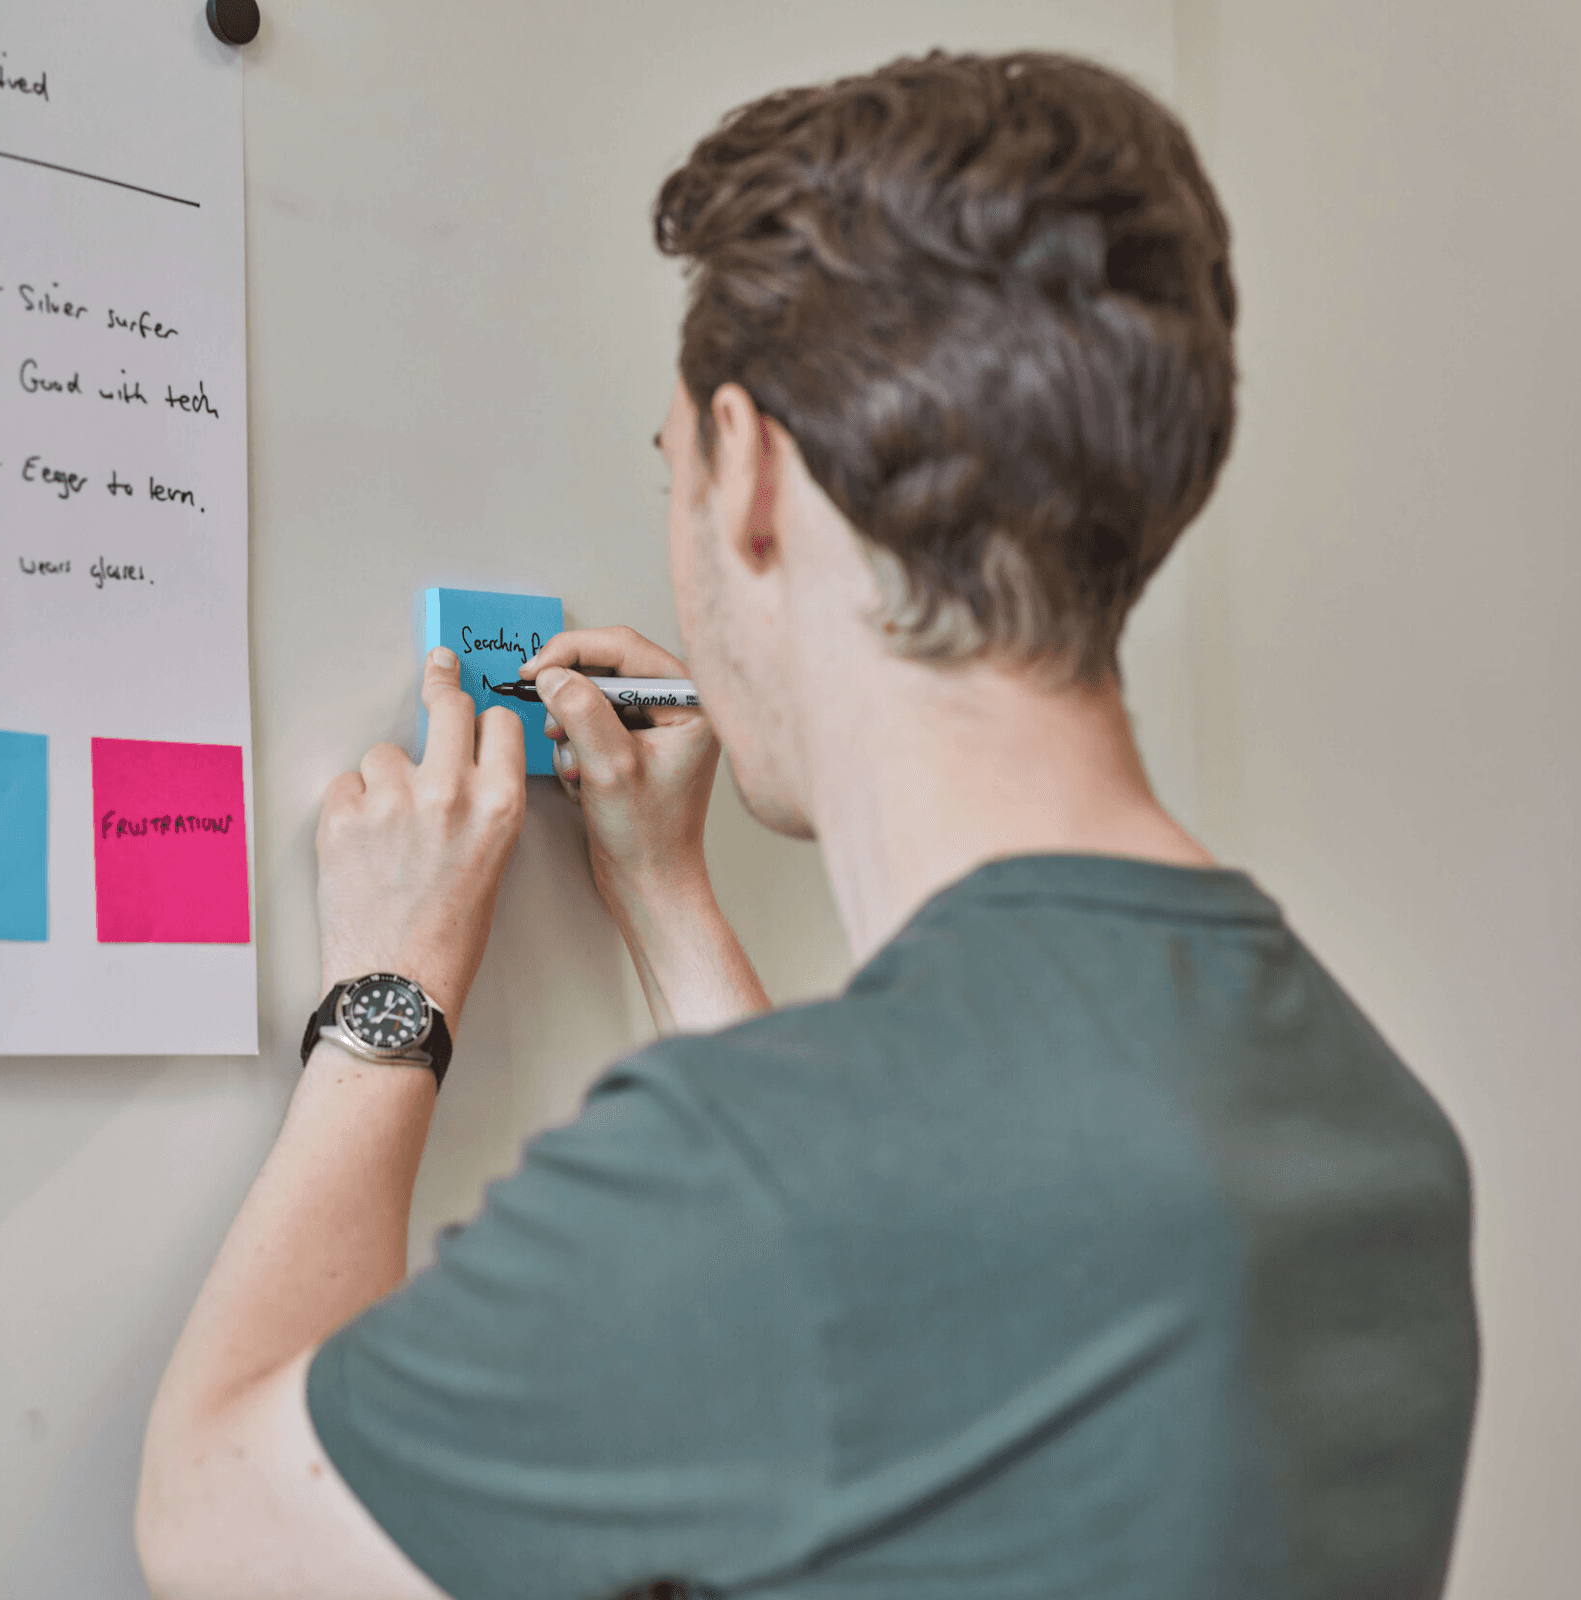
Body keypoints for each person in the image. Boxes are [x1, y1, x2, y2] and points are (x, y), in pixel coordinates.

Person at [135, 47, 1479, 1600]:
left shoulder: (757, 1183)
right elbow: (892, 1331)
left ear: (755, 474)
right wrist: (668, 900)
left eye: (673, 471)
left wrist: (391, 998)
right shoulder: (1369, 1117)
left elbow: (214, 1524)